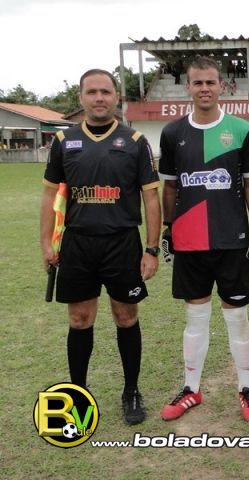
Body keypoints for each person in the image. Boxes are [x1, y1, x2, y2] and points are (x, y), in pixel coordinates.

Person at [40, 68, 161, 425]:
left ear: (116, 97)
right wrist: (46, 242)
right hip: (78, 243)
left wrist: (151, 249)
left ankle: (131, 391)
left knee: (126, 316)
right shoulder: (64, 141)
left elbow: (151, 199)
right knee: (80, 320)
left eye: (105, 91)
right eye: (92, 92)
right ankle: (78, 395)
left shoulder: (135, 141)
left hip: (122, 243)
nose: (99, 98)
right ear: (81, 97)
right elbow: (50, 195)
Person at [158, 57, 249, 423]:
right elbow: (170, 187)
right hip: (190, 239)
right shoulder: (172, 133)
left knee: (238, 317)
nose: (204, 88)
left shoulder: (241, 130)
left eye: (210, 82)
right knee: (195, 318)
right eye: (197, 82)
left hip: (230, 239)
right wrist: (168, 229)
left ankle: (247, 387)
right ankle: (191, 388)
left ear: (222, 86)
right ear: (188, 87)